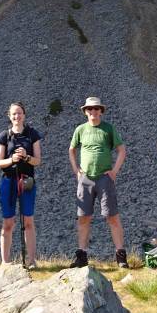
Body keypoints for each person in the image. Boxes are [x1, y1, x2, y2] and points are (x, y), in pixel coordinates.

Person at [68, 96, 128, 268]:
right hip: (85, 178)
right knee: (83, 217)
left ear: (101, 111)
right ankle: (82, 255)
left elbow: (121, 150)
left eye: (96, 109)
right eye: (89, 109)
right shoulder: (80, 129)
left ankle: (120, 256)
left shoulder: (108, 129)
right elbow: (71, 149)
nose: (93, 112)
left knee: (112, 216)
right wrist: (76, 170)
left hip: (104, 177)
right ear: (85, 112)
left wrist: (114, 171)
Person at [0, 102, 43, 267]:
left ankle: (31, 260)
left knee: (28, 220)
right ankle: (5, 262)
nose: (17, 116)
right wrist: (12, 159)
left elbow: (38, 161)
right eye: (14, 114)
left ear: (24, 115)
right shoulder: (4, 136)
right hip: (9, 180)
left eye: (20, 113)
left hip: (27, 180)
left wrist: (26, 157)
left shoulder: (32, 134)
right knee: (8, 221)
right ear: (9, 116)